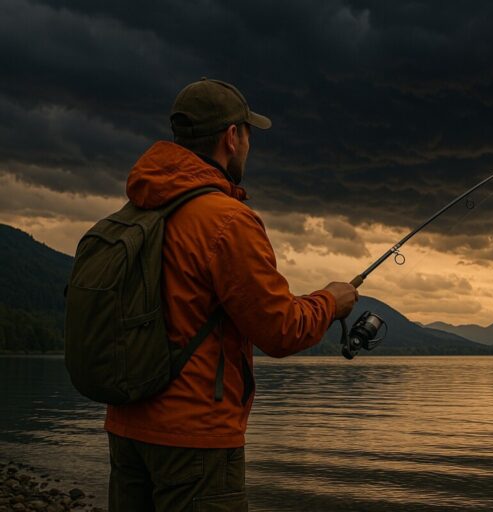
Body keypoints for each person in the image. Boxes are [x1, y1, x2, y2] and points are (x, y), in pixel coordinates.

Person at [105, 78, 358, 511]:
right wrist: (331, 302)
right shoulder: (227, 221)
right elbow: (279, 330)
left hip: (127, 428)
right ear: (231, 137)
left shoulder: (140, 209)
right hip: (196, 439)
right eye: (248, 134)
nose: (247, 145)